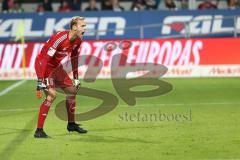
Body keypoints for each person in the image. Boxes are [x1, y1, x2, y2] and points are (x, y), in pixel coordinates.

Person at [34, 16, 87, 138]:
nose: (85, 28)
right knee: (52, 95)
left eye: (85, 26)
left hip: (56, 67)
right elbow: (45, 59)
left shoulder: (78, 41)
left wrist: (76, 78)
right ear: (74, 27)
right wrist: (40, 80)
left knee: (72, 91)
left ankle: (71, 124)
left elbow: (74, 58)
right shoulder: (60, 38)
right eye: (82, 26)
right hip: (44, 65)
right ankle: (39, 130)